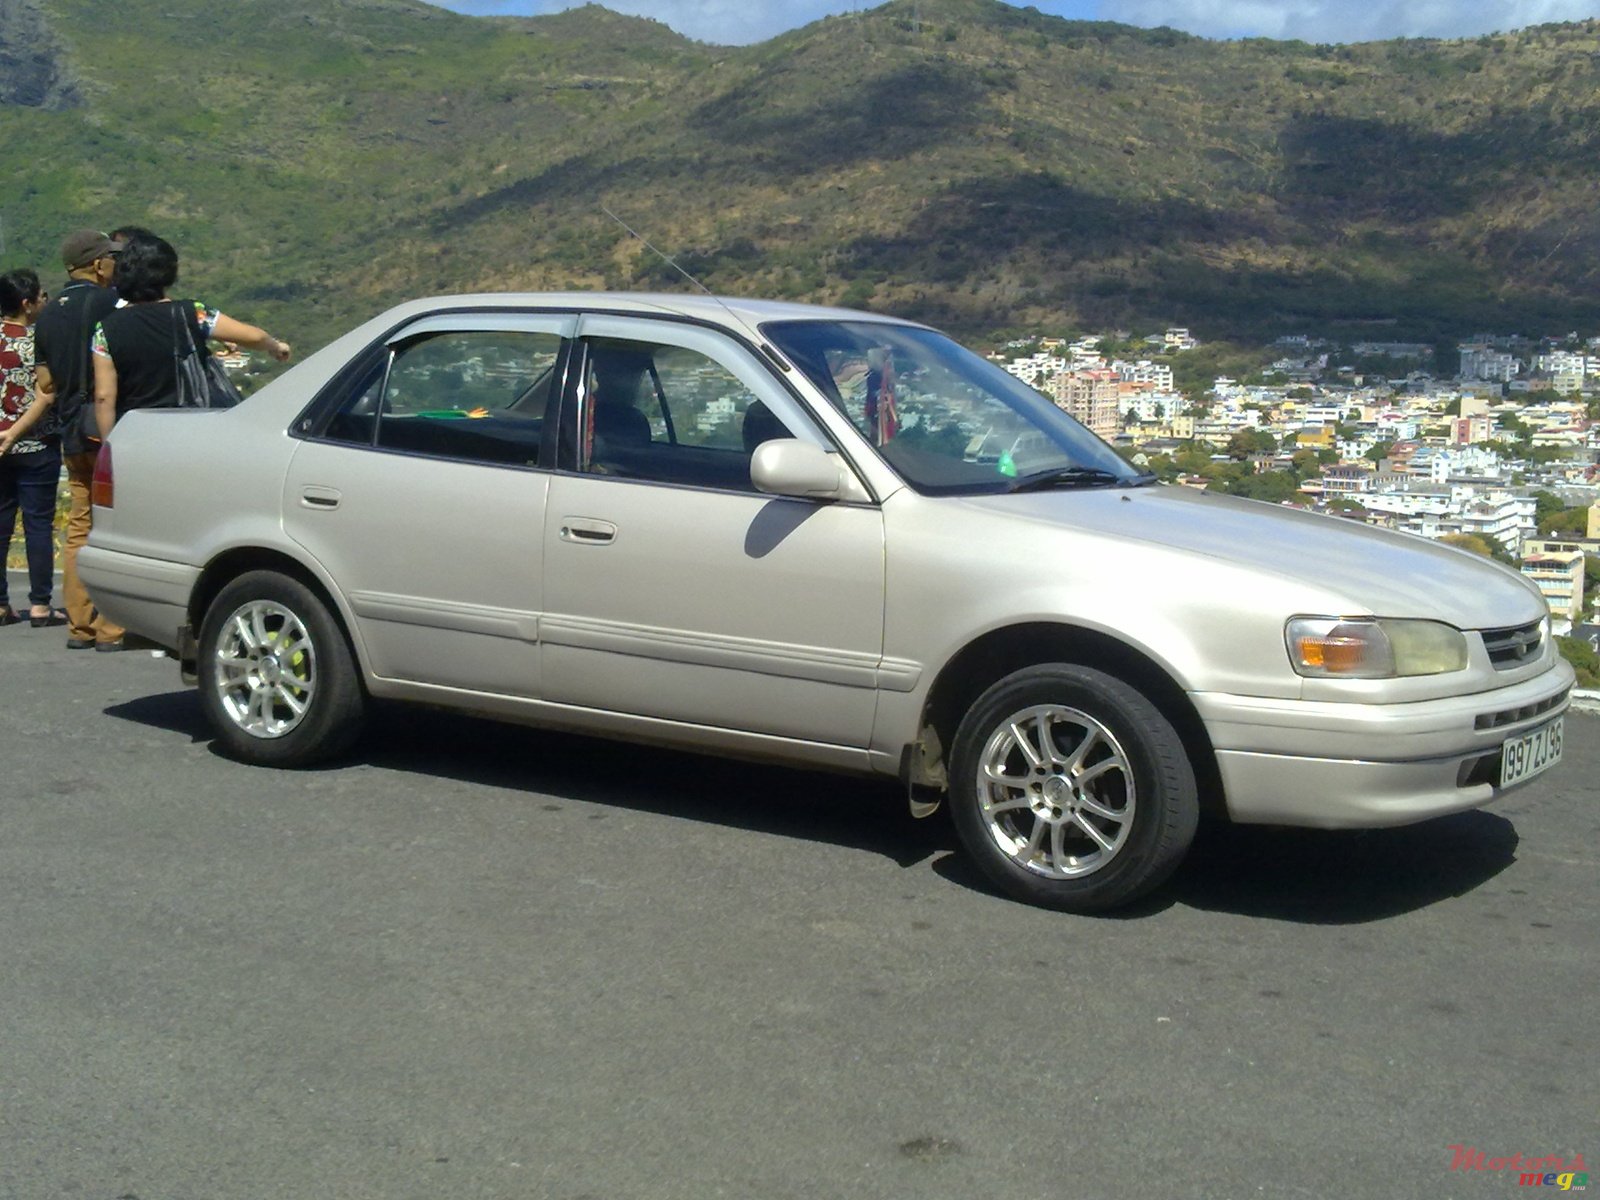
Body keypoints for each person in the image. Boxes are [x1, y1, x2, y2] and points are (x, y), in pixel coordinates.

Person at [92, 234, 290, 440]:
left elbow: (104, 397)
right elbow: (253, 336)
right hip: (190, 429)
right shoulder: (191, 313)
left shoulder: (105, 329)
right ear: (167, 273)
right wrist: (275, 346)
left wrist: (109, 444)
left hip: (139, 434)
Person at [27, 229, 123, 649]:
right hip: (105, 430)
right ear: (99, 263)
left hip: (69, 430)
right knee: (116, 528)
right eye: (112, 259)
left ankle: (79, 626)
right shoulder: (112, 303)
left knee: (80, 527)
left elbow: (44, 381)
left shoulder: (46, 315)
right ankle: (112, 627)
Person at [0, 268, 65, 628]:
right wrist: (16, 431)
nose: (46, 302)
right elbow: (48, 393)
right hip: (36, 444)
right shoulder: (37, 342)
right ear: (26, 303)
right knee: (39, 524)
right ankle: (40, 603)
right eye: (42, 296)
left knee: (1, 523)